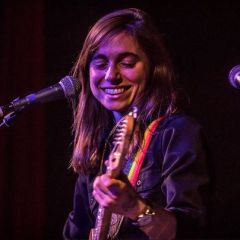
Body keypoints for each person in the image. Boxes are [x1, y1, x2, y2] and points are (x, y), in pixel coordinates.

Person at [63, 8, 209, 240]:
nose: (111, 75)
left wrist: (134, 207)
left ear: (153, 68)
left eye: (127, 63)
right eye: (100, 64)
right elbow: (77, 231)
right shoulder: (97, 145)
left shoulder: (177, 132)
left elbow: (189, 231)